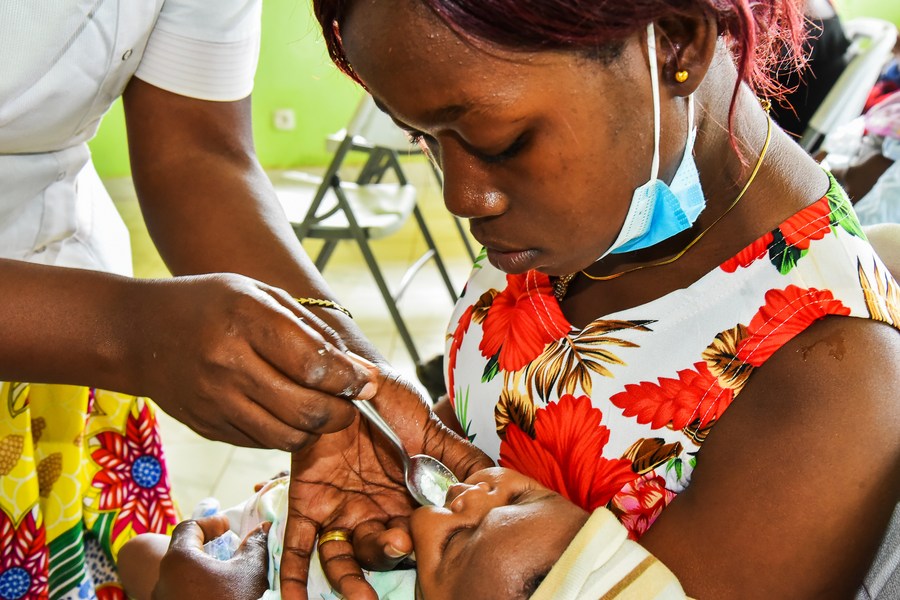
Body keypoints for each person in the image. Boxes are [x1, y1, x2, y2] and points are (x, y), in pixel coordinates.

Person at [145, 0, 900, 598]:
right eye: (424, 139)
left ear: (673, 41)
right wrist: (410, 460)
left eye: (501, 142)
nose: (462, 196)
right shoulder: (583, 213)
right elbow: (512, 413)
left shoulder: (827, 380)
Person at [0, 2, 394, 598]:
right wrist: (126, 331)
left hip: (73, 328)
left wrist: (349, 368)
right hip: (78, 325)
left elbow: (197, 148)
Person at [119, 467, 687, 599]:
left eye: (459, 538)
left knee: (140, 551)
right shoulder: (393, 526)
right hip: (273, 520)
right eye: (518, 495)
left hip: (237, 571)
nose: (473, 495)